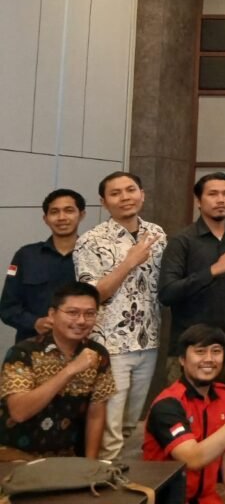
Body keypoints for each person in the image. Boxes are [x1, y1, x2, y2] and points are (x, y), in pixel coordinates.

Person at [74, 170, 166, 460]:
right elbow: (92, 295)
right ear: (103, 202)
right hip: (110, 344)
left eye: (131, 190)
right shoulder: (91, 240)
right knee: (110, 428)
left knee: (130, 424)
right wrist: (129, 262)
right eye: (115, 193)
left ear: (142, 194)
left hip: (148, 341)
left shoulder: (158, 234)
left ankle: (121, 476)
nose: (125, 197)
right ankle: (103, 478)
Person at [143, 324, 225, 504]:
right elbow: (192, 458)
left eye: (216, 351)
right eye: (200, 352)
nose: (209, 359)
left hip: (207, 499)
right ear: (182, 360)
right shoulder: (168, 404)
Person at [159, 172, 225, 383]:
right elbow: (167, 293)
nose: (221, 200)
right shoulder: (182, 241)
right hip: (192, 349)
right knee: (186, 403)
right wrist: (212, 271)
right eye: (213, 194)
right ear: (198, 200)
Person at [0, 282, 115, 460]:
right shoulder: (23, 353)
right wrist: (70, 370)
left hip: (66, 459)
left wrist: (90, 465)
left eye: (89, 314)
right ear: (52, 314)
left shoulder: (97, 354)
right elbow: (19, 412)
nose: (81, 321)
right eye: (72, 313)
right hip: (16, 457)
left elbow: (96, 414)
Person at [1, 188, 85, 343]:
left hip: (82, 346)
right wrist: (35, 322)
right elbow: (8, 308)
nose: (61, 217)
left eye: (69, 210)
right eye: (54, 212)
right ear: (45, 219)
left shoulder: (94, 255)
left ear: (81, 215)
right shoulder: (26, 256)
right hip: (33, 346)